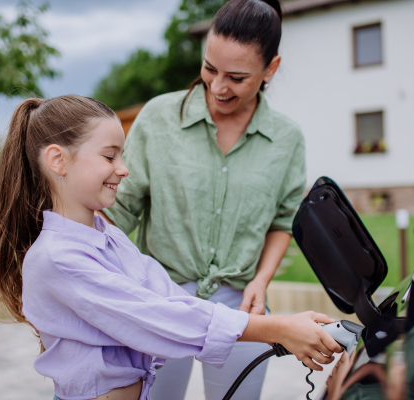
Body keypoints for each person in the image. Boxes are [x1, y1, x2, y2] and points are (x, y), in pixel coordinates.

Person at [0, 95, 341, 400]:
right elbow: (153, 318)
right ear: (57, 160)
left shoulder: (105, 233)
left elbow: (167, 298)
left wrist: (281, 325)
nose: (123, 170)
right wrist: (275, 329)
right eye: (110, 157)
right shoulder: (57, 258)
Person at [99, 0, 305, 398]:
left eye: (237, 77)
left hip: (241, 306)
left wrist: (261, 281)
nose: (218, 86)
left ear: (270, 70)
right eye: (210, 68)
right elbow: (118, 210)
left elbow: (284, 220)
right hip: (159, 298)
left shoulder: (287, 139)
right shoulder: (158, 118)